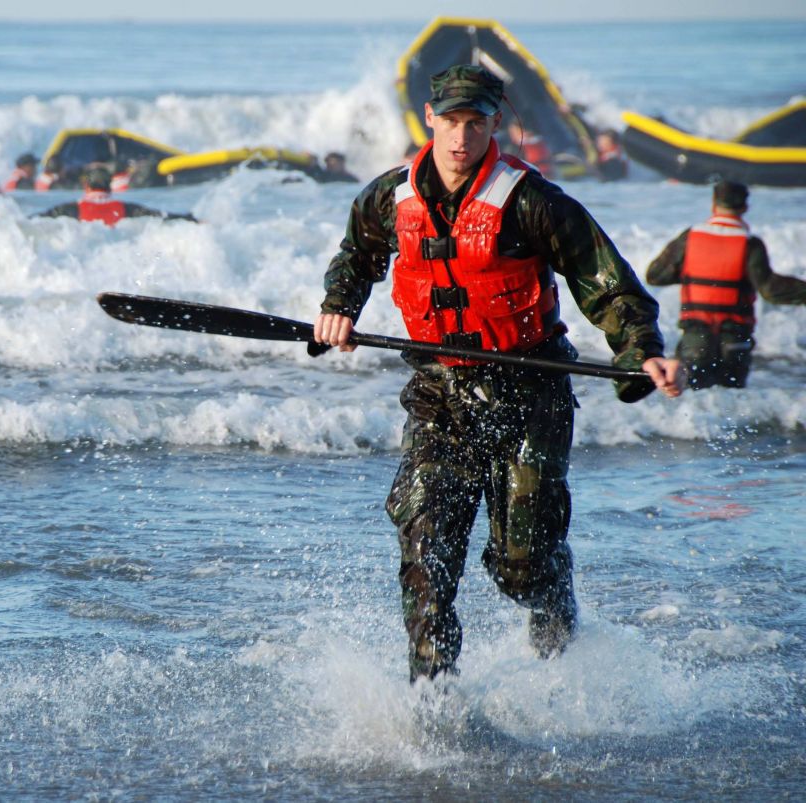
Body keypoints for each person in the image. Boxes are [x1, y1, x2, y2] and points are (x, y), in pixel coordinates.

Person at [312, 64, 684, 683]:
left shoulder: (532, 201)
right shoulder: (389, 196)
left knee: (521, 565)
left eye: (477, 123)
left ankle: (554, 606)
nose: (462, 138)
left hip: (529, 395)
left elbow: (605, 280)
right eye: (451, 122)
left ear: (495, 124)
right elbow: (358, 255)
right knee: (426, 555)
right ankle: (434, 712)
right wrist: (337, 310)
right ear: (429, 119)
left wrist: (640, 349)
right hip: (438, 396)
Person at [646, 180, 806, 389]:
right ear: (745, 207)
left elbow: (655, 275)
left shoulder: (690, 237)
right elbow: (770, 289)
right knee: (732, 406)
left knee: (688, 395)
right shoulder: (750, 244)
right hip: (735, 340)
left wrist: (693, 275)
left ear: (714, 204)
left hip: (696, 339)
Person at [35, 166, 194, 226]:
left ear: (86, 186)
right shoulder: (125, 208)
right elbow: (159, 215)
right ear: (110, 186)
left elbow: (38, 219)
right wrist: (189, 218)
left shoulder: (70, 209)